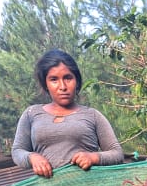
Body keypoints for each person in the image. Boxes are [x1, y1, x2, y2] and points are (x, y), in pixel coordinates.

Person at [11, 49, 123, 178]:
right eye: (54, 79)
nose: (63, 86)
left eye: (68, 78)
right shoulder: (31, 113)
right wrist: (32, 157)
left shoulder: (93, 115)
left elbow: (117, 153)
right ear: (45, 84)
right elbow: (17, 151)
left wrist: (93, 157)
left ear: (77, 81)